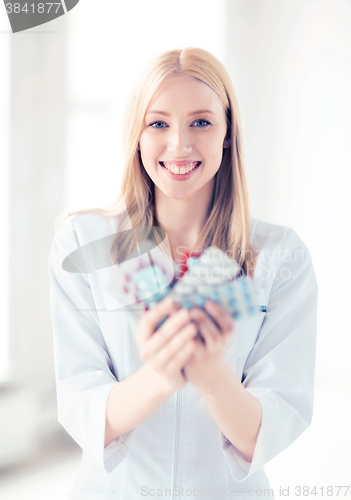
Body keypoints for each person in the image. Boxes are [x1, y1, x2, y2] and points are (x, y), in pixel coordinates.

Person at [48, 47, 318, 499]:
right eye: (158, 123)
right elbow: (84, 406)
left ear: (228, 132)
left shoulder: (278, 256)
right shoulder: (82, 244)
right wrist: (163, 374)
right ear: (137, 134)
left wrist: (212, 376)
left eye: (201, 122)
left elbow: (266, 431)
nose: (178, 144)